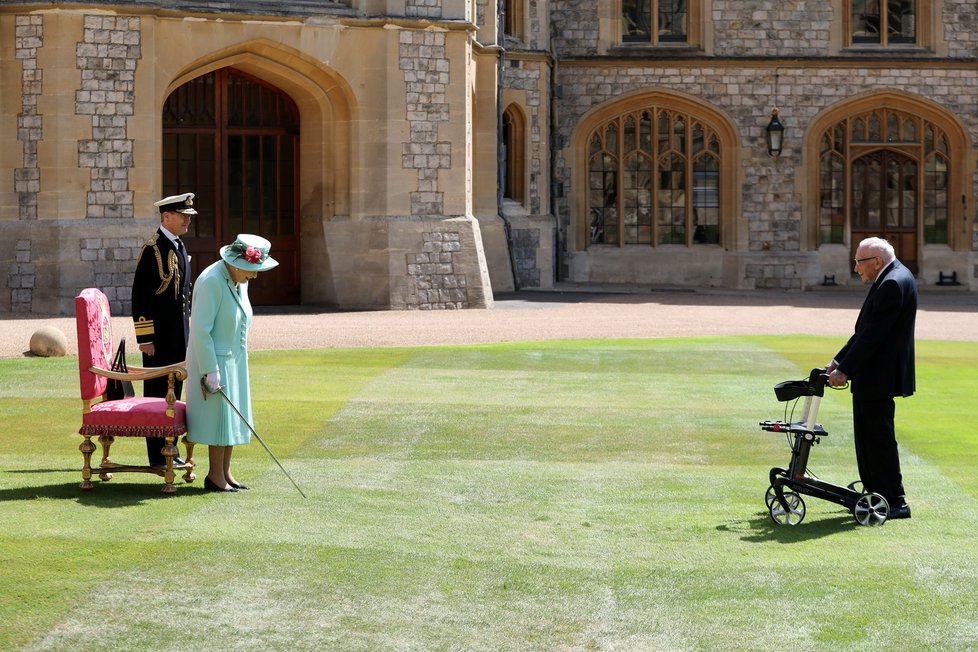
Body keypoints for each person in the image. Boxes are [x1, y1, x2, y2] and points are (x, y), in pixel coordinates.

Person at [827, 236, 916, 520]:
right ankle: (875, 490)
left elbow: (873, 336)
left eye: (859, 263)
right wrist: (839, 360)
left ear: (876, 262)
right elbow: (865, 331)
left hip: (879, 375)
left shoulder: (891, 282)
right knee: (868, 438)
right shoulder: (892, 276)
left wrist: (845, 371)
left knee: (877, 439)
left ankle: (894, 500)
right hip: (875, 374)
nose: (856, 269)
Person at [185, 234, 278, 492]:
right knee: (219, 420)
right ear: (236, 263)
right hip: (214, 363)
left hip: (234, 361)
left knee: (233, 420)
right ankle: (214, 475)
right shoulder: (211, 281)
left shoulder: (239, 279)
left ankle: (226, 472)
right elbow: (201, 331)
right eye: (251, 270)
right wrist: (209, 370)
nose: (255, 276)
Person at [131, 192, 195, 466]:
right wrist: (145, 338)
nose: (187, 221)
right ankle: (157, 455)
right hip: (158, 339)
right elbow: (141, 297)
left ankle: (171, 450)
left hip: (178, 335)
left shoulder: (178, 246)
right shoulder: (153, 249)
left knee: (174, 396)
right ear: (166, 216)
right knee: (157, 395)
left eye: (188, 217)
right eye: (182, 216)